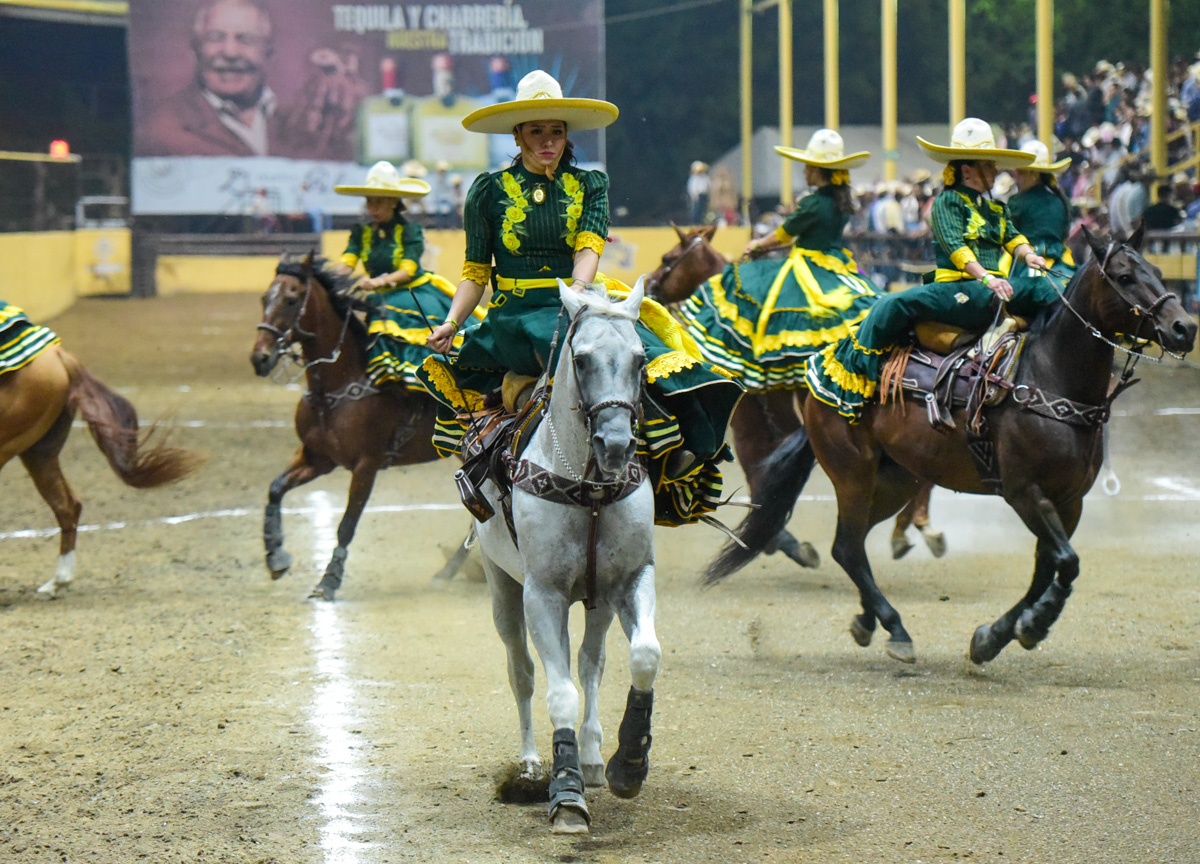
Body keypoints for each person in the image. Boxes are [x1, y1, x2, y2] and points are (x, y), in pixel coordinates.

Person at [419, 70, 743, 526]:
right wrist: (452, 322)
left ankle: (675, 448)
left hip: (577, 297)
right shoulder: (487, 192)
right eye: (536, 131)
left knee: (648, 351)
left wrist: (578, 299)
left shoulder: (591, 185)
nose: (548, 140)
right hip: (515, 316)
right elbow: (475, 272)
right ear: (518, 134)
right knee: (562, 344)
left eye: (556, 130)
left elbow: (588, 247)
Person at [807, 118, 1053, 421]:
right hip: (959, 288)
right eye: (989, 165)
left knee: (1049, 289)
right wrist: (987, 278)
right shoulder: (947, 202)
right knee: (892, 303)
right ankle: (860, 372)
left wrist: (1028, 255)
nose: (995, 171)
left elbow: (1012, 235)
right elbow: (955, 247)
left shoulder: (995, 206)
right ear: (967, 170)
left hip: (991, 287)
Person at [673, 129, 877, 392]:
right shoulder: (841, 202)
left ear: (818, 170)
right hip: (837, 263)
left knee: (759, 304)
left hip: (807, 266)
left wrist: (758, 244)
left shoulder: (813, 203)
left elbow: (783, 234)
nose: (804, 172)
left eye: (808, 167)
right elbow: (805, 234)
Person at [140, 0, 362, 160]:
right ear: (196, 48)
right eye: (215, 38)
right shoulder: (163, 128)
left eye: (245, 39)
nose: (230, 52)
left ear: (269, 51)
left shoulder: (300, 119)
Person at [334, 161, 469, 393]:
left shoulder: (409, 231)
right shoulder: (361, 232)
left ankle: (421, 379)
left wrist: (378, 281)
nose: (372, 207)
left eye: (379, 201)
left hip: (413, 291)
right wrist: (329, 281)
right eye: (369, 201)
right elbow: (347, 261)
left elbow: (408, 270)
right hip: (380, 295)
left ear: (394, 202)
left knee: (388, 311)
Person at [1008, 140, 1076, 289]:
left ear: (1032, 174)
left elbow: (1008, 236)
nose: (1016, 176)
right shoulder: (1062, 201)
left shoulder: (1016, 202)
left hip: (1024, 261)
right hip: (1062, 260)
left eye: (1019, 172)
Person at [686, 161, 712, 225]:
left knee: (704, 209)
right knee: (697, 209)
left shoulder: (705, 177)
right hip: (698, 196)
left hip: (704, 194)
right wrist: (694, 196)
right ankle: (696, 222)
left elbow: (709, 185)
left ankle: (702, 221)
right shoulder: (694, 178)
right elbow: (692, 188)